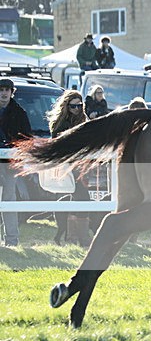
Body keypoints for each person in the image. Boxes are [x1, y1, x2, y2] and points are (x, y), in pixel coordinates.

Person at [47, 90, 92, 247]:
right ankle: (80, 237)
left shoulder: (83, 120)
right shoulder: (60, 124)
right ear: (67, 106)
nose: (77, 109)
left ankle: (73, 237)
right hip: (68, 165)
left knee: (79, 198)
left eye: (80, 106)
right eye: (74, 106)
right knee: (83, 198)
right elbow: (59, 143)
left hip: (81, 164)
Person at [0, 78, 32, 247]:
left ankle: (11, 240)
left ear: (12, 92)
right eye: (1, 89)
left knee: (9, 199)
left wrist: (16, 152)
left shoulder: (19, 112)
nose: (4, 92)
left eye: (7, 89)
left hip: (10, 162)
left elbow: (28, 138)